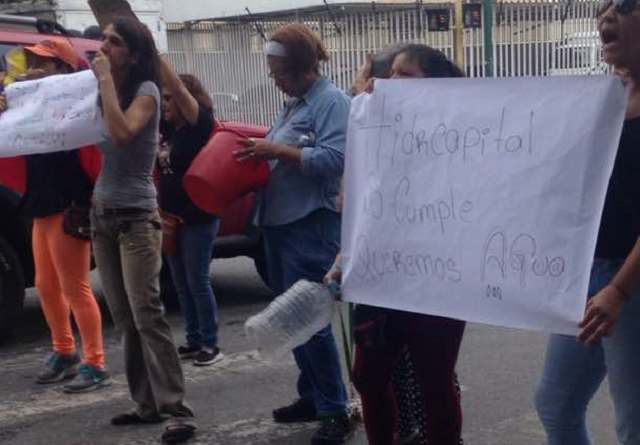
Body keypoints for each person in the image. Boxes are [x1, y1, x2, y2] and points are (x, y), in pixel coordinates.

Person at [328, 44, 467, 445]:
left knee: (434, 382)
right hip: (380, 277)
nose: (391, 82)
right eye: (391, 74)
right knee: (367, 377)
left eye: (405, 75)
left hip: (437, 282)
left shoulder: (459, 139)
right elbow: (355, 205)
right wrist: (343, 257)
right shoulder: (374, 132)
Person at [234, 23, 354, 445]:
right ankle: (313, 396)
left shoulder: (332, 102)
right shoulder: (294, 103)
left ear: (304, 67)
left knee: (311, 320)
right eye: (273, 74)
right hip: (281, 223)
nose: (277, 82)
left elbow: (336, 158)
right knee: (292, 319)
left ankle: (335, 410)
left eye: (280, 74)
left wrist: (276, 150)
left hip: (311, 224)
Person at [535, 0, 640, 444]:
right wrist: (392, 101)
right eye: (604, 5)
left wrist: (619, 291)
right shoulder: (605, 98)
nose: (607, 15)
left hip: (629, 284)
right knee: (556, 404)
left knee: (633, 424)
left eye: (626, 4)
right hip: (591, 275)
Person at [90, 17, 196, 444]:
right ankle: (145, 403)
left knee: (147, 313)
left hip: (136, 217)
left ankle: (178, 410)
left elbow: (121, 134)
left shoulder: (146, 92)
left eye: (114, 42)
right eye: (103, 39)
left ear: (134, 55)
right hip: (103, 214)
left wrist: (102, 83)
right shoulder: (99, 89)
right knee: (123, 318)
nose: (104, 47)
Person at [0, 39, 110, 393]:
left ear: (63, 70)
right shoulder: (25, 101)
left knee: (74, 286)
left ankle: (95, 362)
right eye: (32, 60)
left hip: (67, 204)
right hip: (41, 205)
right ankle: (65, 351)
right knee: (47, 285)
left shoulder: (76, 102)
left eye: (44, 62)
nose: (33, 66)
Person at [158, 61, 223, 367]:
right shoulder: (170, 128)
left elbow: (182, 93)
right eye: (163, 97)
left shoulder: (200, 125)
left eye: (169, 98)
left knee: (198, 280)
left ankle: (210, 343)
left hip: (198, 217)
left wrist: (158, 60)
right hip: (172, 218)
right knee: (180, 281)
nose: (164, 103)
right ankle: (194, 338)